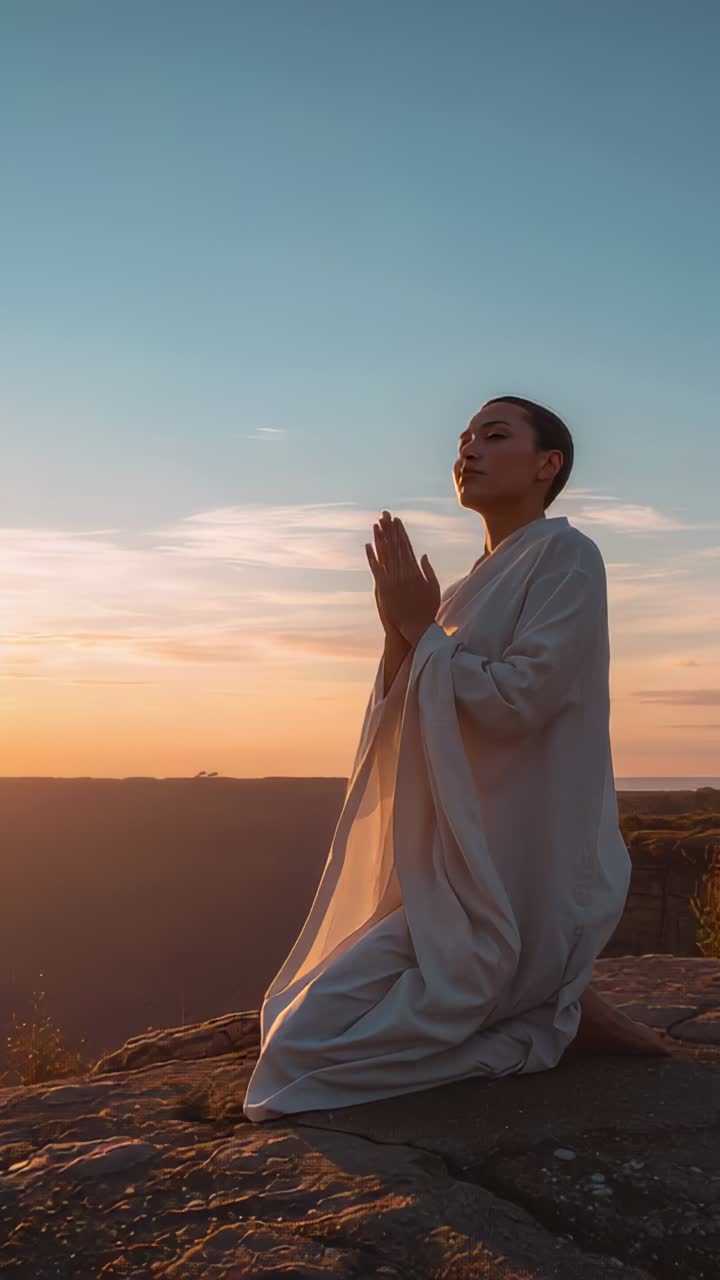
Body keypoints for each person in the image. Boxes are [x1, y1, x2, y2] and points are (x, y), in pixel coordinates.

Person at [243, 395, 671, 1124]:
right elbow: (408, 712)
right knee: (284, 1018)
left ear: (548, 465)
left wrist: (422, 631)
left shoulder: (568, 555)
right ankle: (544, 1007)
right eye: (464, 437)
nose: (467, 448)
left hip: (513, 882)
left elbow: (519, 703)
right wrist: (401, 634)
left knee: (298, 1058)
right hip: (447, 882)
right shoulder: (473, 585)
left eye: (493, 435)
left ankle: (536, 1026)